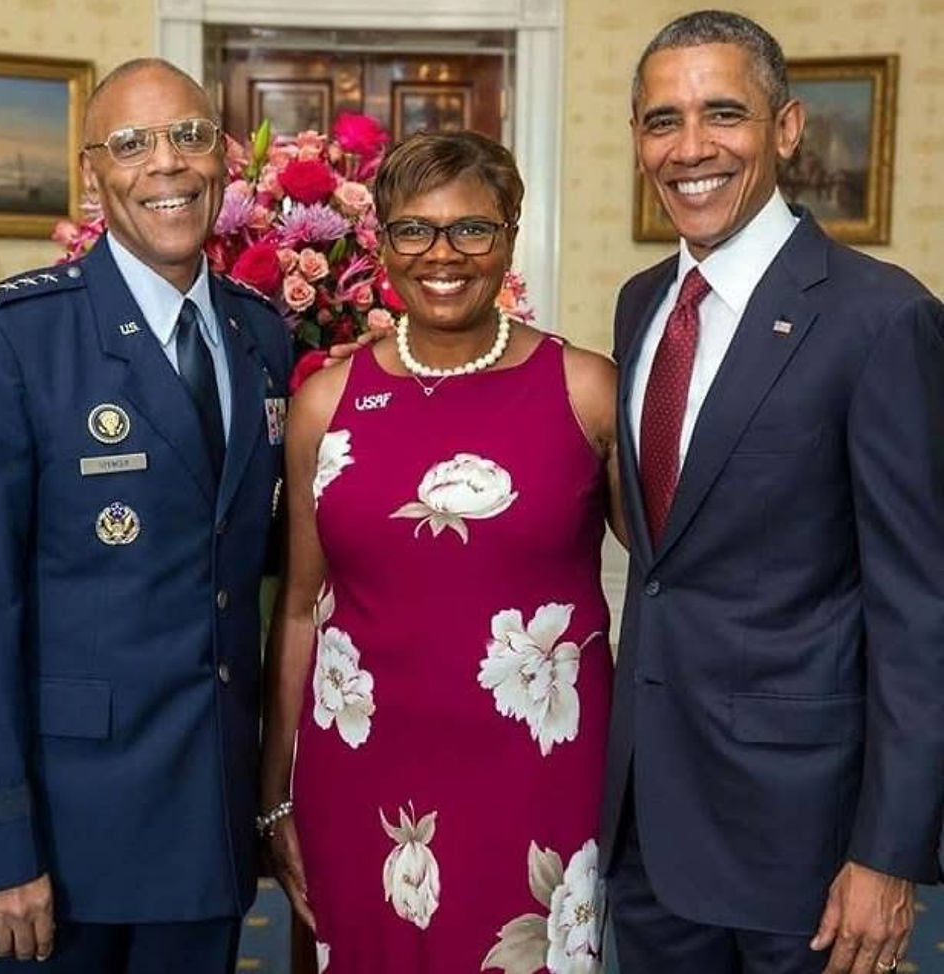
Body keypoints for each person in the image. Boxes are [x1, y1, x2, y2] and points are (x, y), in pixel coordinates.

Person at [600, 11, 944, 974]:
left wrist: (888, 852)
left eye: (723, 114)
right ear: (637, 141)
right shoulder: (640, 305)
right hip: (650, 822)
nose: (691, 148)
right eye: (662, 121)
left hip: (804, 839)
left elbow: (920, 609)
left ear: (786, 128)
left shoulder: (882, 320)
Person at [259, 130, 624, 972]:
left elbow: (678, 568)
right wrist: (275, 798)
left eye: (473, 229)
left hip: (540, 776)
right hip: (360, 775)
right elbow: (301, 611)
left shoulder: (586, 390)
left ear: (510, 236)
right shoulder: (326, 402)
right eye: (414, 230)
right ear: (382, 241)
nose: (442, 254)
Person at [0, 58, 293, 973]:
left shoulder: (259, 331)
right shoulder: (10, 338)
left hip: (210, 823)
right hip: (63, 843)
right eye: (133, 143)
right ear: (91, 173)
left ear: (223, 161)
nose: (167, 164)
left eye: (189, 135)